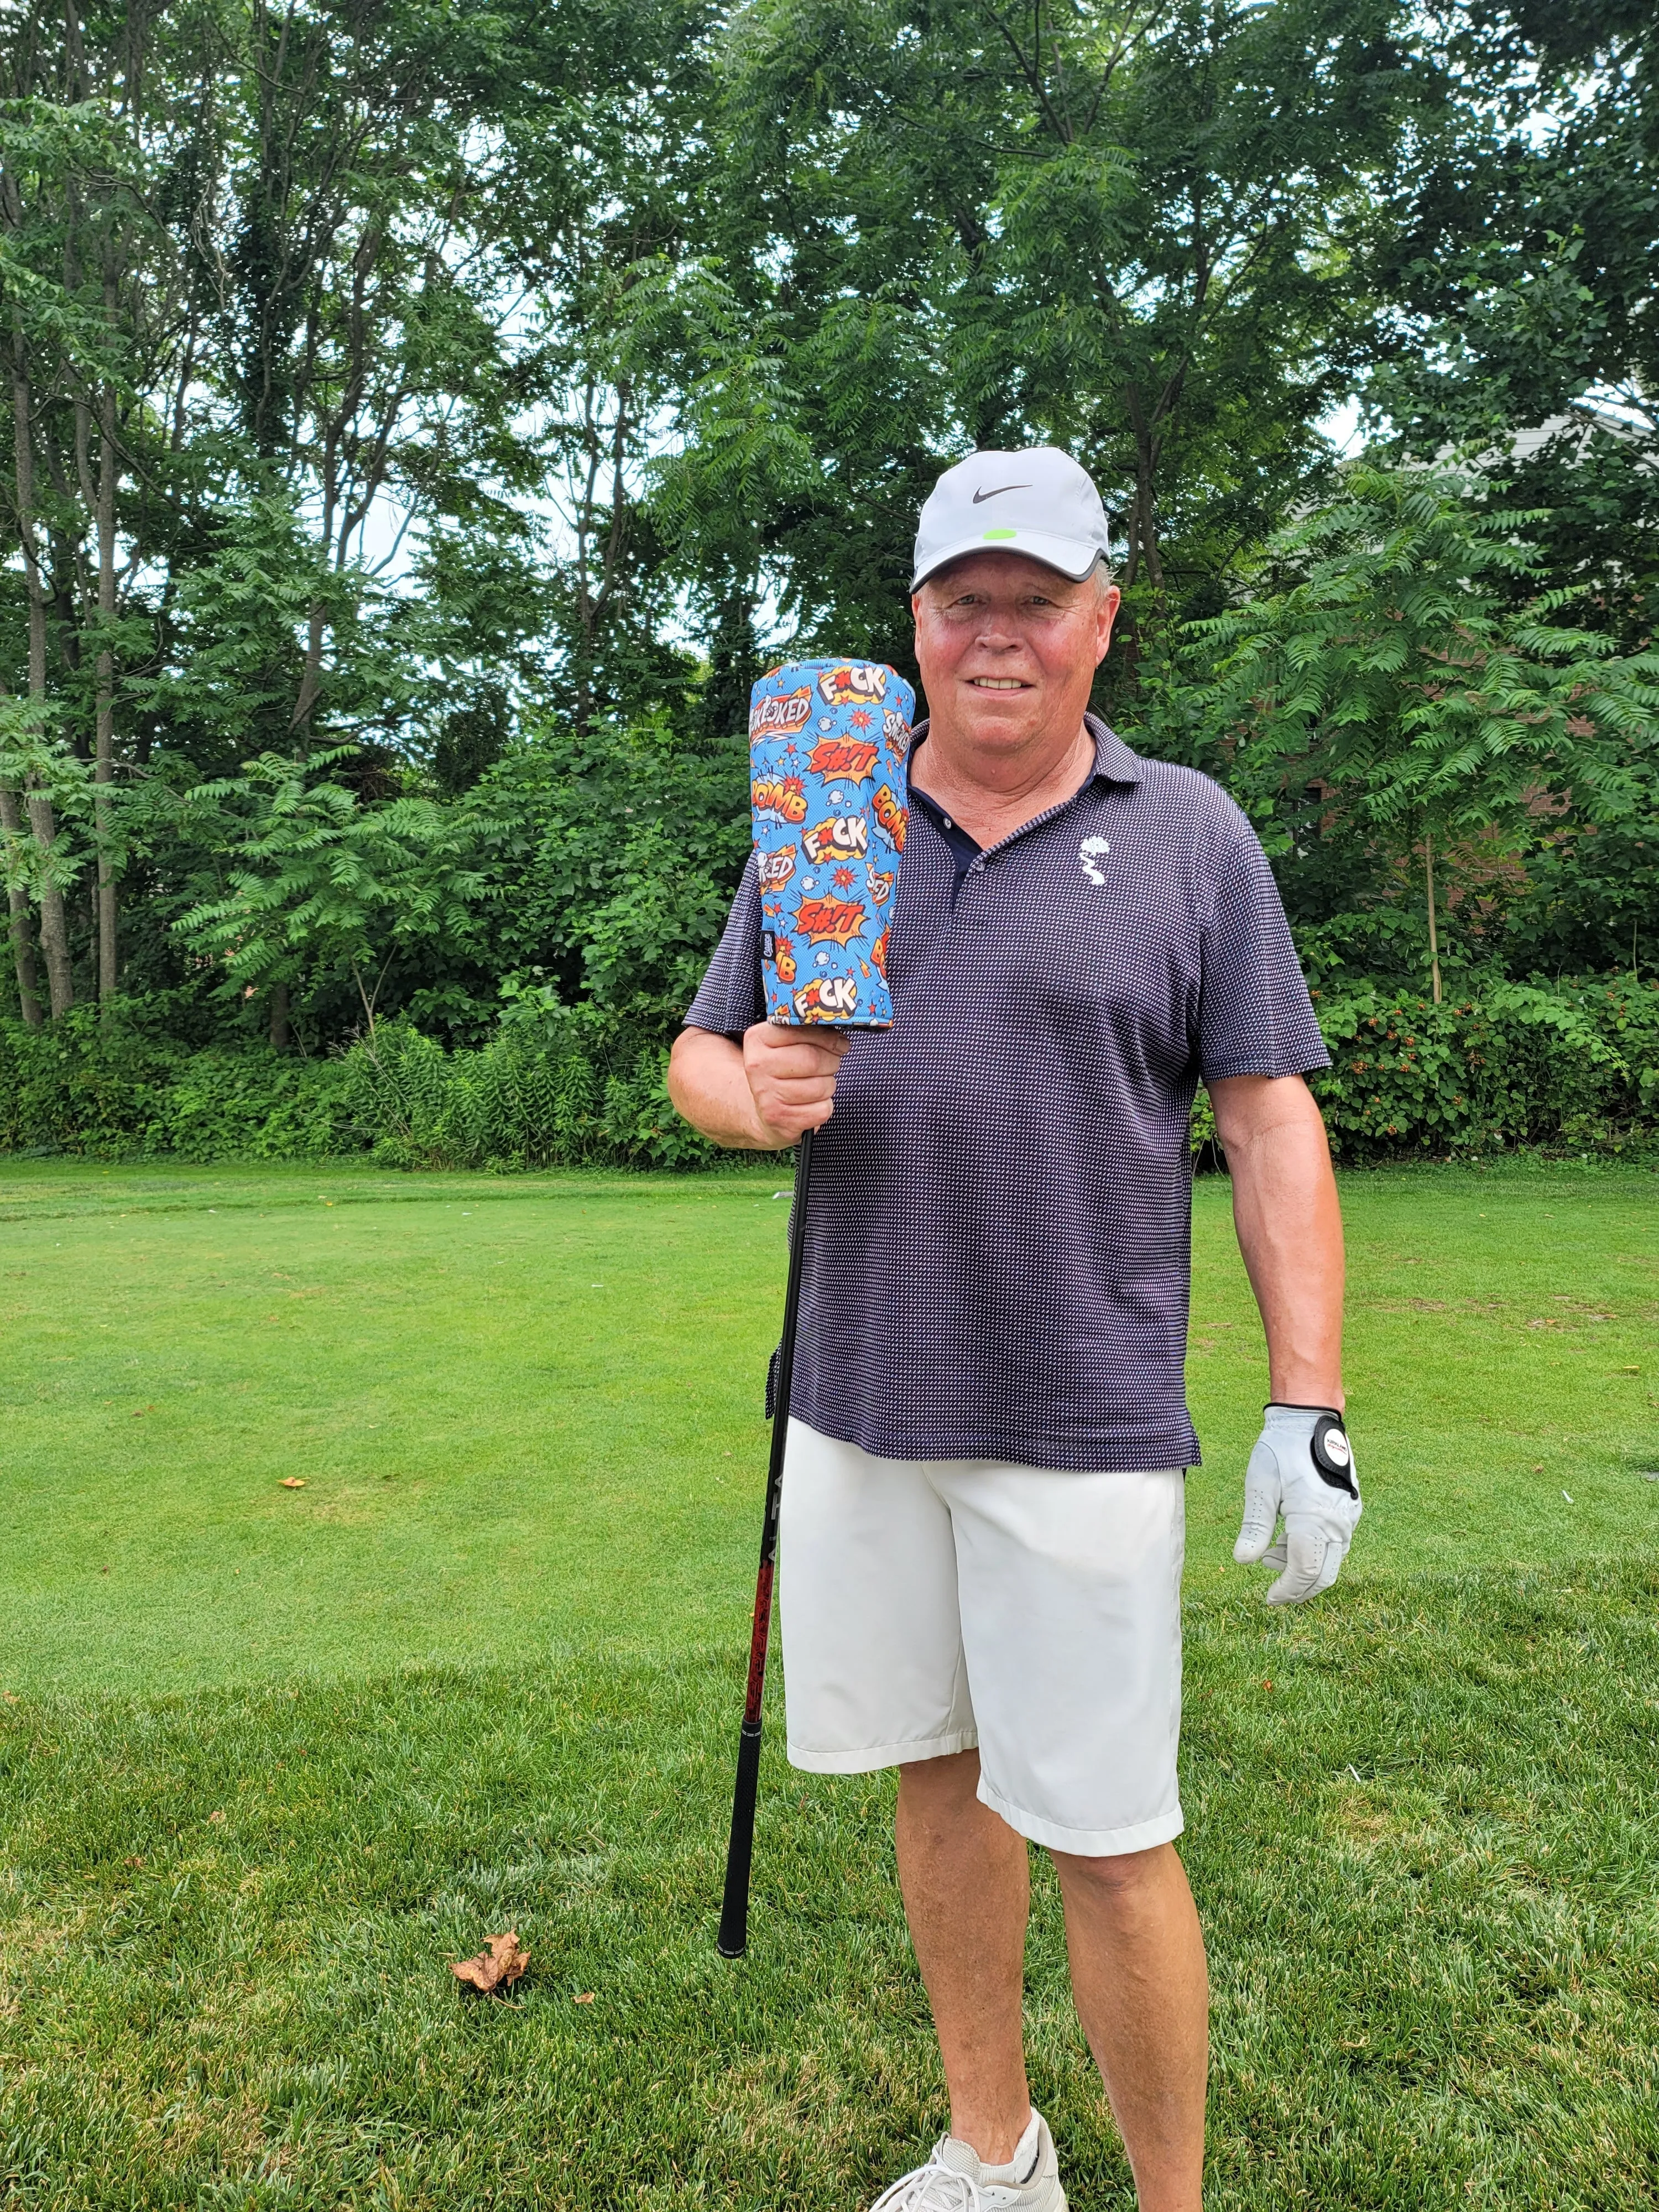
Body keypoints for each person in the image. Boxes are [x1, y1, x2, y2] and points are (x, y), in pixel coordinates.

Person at [667, 447, 1360, 2212]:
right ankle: (995, 2149)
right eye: (963, 602)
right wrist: (755, 1097)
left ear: (1099, 625)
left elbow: (1271, 1115)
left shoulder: (1192, 833)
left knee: (1117, 1844)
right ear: (914, 627)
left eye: (1035, 603)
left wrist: (1310, 1399)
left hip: (1084, 1415)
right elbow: (702, 1056)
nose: (998, 635)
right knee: (936, 1781)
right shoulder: (827, 822)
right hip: (858, 1402)